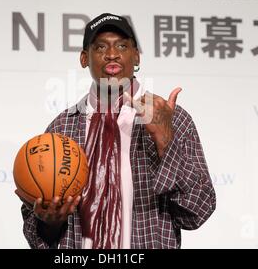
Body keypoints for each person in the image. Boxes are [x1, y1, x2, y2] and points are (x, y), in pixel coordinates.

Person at [15, 13, 216, 249]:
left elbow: (197, 212)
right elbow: (37, 233)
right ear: (84, 58)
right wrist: (50, 222)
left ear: (137, 55)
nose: (112, 54)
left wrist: (165, 141)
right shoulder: (62, 128)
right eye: (100, 47)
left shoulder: (170, 118)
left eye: (122, 45)